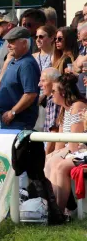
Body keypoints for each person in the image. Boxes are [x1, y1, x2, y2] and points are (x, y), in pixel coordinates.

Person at [44, 74, 87, 211]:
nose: (51, 95)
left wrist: (58, 154)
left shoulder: (77, 106)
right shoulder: (65, 108)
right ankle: (53, 206)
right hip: (74, 150)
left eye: (53, 91)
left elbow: (74, 144)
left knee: (59, 166)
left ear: (63, 92)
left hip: (81, 150)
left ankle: (60, 210)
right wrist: (54, 154)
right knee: (49, 161)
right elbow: (61, 141)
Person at [0, 27, 40, 130]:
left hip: (19, 122)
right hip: (9, 119)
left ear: (24, 43)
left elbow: (30, 94)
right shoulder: (15, 61)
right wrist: (0, 109)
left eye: (12, 42)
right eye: (8, 42)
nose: (8, 45)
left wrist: (12, 112)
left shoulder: (27, 64)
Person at [38, 67, 61, 154]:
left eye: (43, 81)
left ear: (54, 82)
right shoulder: (51, 99)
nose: (39, 84)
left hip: (52, 150)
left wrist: (46, 156)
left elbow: (54, 131)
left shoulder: (54, 101)